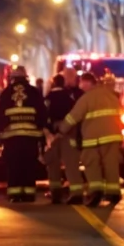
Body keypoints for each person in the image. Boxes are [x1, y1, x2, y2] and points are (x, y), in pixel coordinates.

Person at [56, 72, 123, 207]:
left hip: (94, 138)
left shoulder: (87, 98)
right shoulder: (110, 95)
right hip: (114, 136)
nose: (80, 86)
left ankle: (95, 192)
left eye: (81, 83)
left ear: (87, 83)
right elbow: (121, 112)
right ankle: (114, 193)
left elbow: (74, 116)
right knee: (111, 164)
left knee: (91, 164)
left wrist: (61, 129)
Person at [0, 66, 47, 202]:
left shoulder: (6, 93)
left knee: (14, 166)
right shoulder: (34, 92)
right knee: (29, 166)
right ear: (25, 78)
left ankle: (15, 194)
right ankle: (29, 194)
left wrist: (0, 135)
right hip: (30, 138)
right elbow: (42, 113)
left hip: (11, 139)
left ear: (12, 78)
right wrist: (41, 133)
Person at [44, 74, 81, 204]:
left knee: (53, 165)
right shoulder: (69, 97)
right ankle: (77, 193)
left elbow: (44, 117)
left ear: (53, 83)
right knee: (71, 164)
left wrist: (49, 134)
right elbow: (75, 115)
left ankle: (55, 194)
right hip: (69, 134)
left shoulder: (47, 98)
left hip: (52, 136)